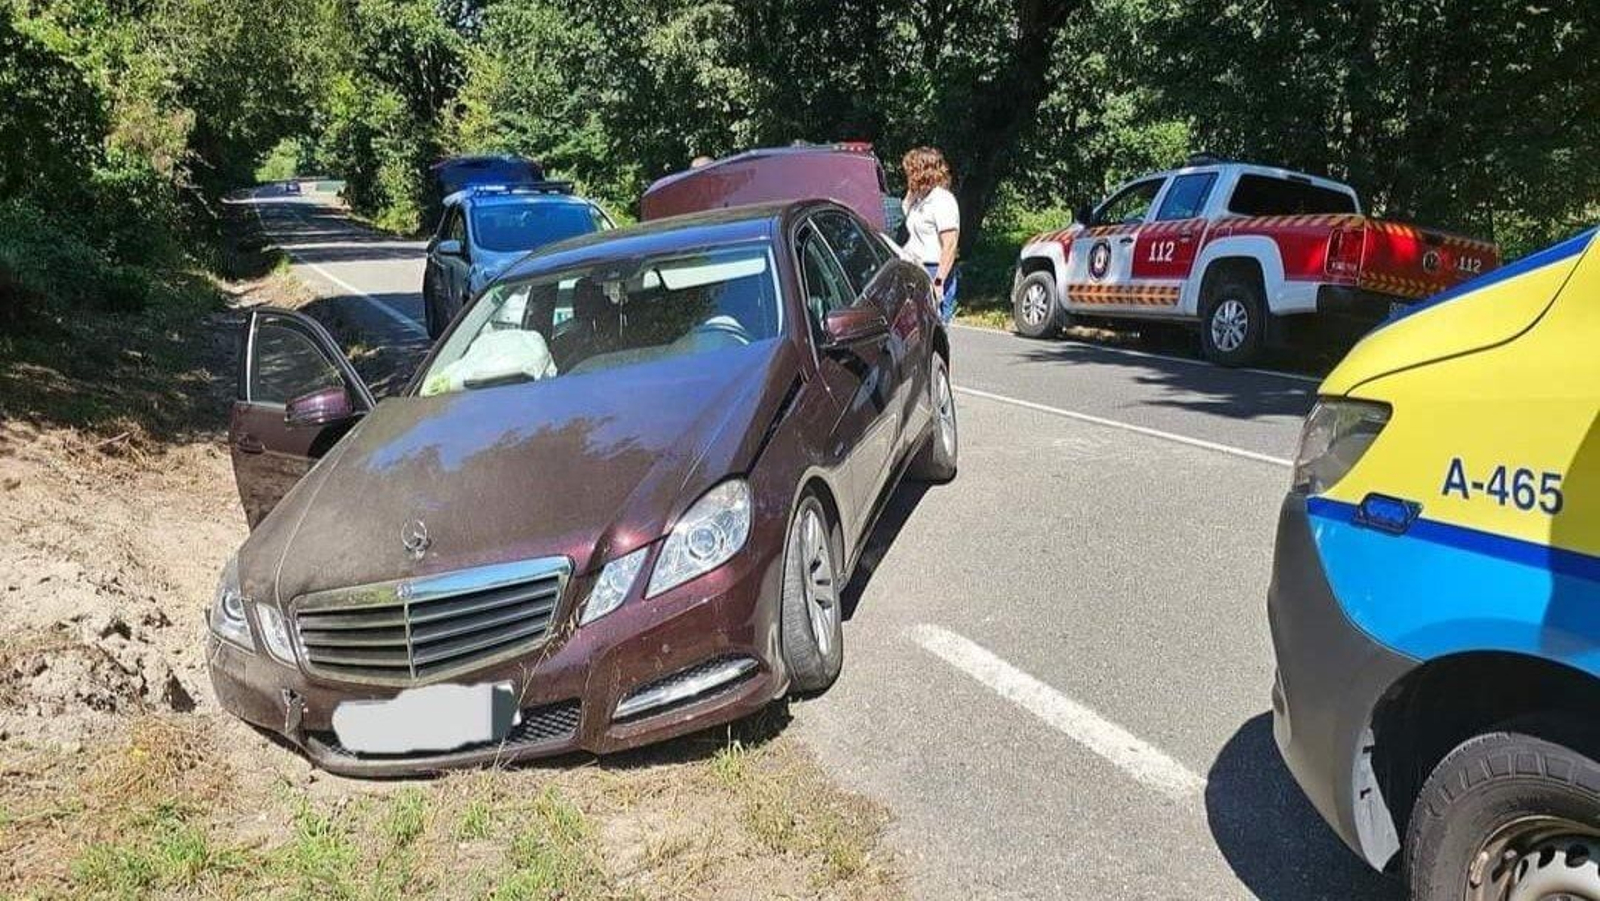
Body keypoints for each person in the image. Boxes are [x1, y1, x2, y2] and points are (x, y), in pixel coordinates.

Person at [901, 146, 960, 321]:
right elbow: (904, 211)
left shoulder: (942, 200)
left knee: (932, 328)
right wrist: (912, 192)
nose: (908, 175)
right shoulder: (920, 198)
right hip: (914, 267)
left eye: (911, 171)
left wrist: (939, 281)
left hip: (934, 270)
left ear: (922, 172)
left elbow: (950, 245)